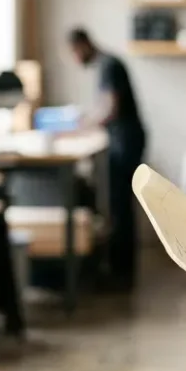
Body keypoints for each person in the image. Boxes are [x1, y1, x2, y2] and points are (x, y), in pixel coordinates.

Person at [70, 28, 146, 290]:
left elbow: (111, 108)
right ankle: (120, 270)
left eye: (74, 53)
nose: (75, 59)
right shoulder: (107, 64)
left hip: (125, 142)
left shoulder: (108, 66)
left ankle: (121, 274)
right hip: (124, 140)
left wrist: (85, 125)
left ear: (82, 45)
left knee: (119, 205)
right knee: (119, 204)